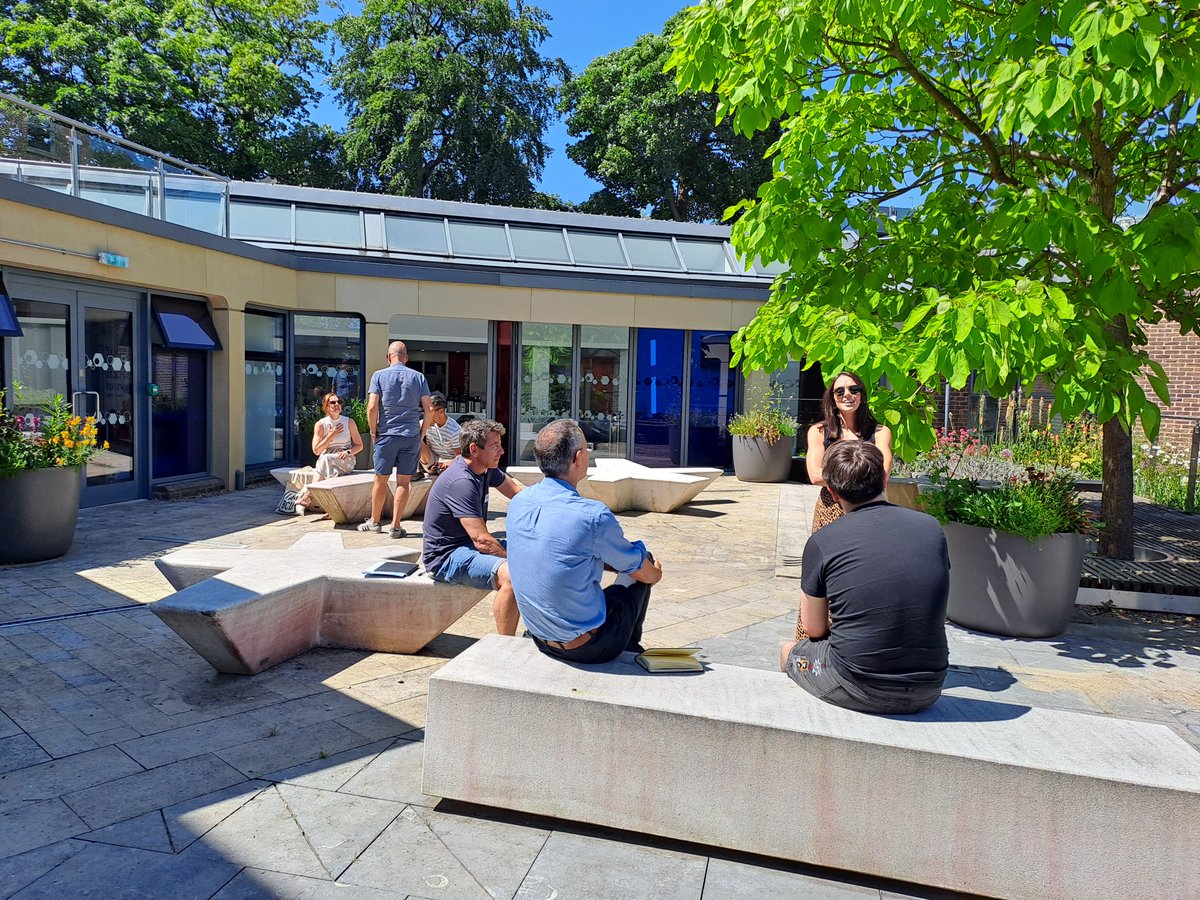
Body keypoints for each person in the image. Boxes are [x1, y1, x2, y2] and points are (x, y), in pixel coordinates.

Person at [780, 441, 948, 715]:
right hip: (930, 686)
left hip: (858, 684)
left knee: (790, 653)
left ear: (832, 493)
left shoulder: (823, 541)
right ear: (884, 478)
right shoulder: (931, 528)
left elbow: (814, 630)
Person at [507, 419, 663, 664]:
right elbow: (642, 571)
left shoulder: (519, 502)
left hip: (540, 636)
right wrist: (655, 573)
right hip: (588, 647)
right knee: (643, 564)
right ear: (578, 458)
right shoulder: (592, 516)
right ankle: (630, 648)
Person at [799, 371, 894, 640]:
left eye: (853, 389)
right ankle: (814, 637)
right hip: (831, 509)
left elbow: (883, 476)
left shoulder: (879, 431)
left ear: (863, 395)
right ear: (832, 397)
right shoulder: (819, 431)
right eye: (840, 391)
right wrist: (860, 474)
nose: (847, 395)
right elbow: (814, 474)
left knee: (864, 570)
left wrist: (840, 472)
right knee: (824, 571)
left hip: (869, 510)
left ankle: (858, 636)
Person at [422, 419, 525, 634]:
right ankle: (505, 646)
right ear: (474, 449)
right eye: (495, 445)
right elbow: (483, 541)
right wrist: (513, 556)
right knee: (513, 575)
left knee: (540, 553)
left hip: (470, 546)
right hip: (446, 557)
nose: (502, 450)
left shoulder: (485, 470)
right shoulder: (461, 481)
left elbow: (517, 493)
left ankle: (541, 631)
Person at [360, 341, 435, 538]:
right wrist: (422, 433)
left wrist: (373, 431)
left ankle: (375, 523)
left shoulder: (378, 376)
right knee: (403, 482)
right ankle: (395, 526)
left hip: (386, 434)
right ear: (406, 358)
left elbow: (372, 407)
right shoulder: (418, 377)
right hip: (410, 435)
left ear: (388, 357)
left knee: (380, 480)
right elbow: (429, 409)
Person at [295, 393, 363, 513]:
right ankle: (331, 508)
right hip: (326, 459)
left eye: (339, 402)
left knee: (325, 460)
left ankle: (309, 495)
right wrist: (330, 436)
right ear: (326, 407)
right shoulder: (321, 424)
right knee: (326, 459)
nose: (337, 404)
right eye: (333, 402)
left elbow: (359, 445)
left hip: (345, 459)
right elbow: (316, 451)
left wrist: (348, 452)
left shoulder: (349, 422)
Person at [420, 391, 462, 476]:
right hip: (432, 459)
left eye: (430, 412)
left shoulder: (455, 430)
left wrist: (446, 464)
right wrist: (424, 429)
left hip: (449, 462)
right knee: (414, 438)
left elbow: (460, 456)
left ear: (441, 411)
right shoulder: (427, 422)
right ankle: (415, 471)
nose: (427, 415)